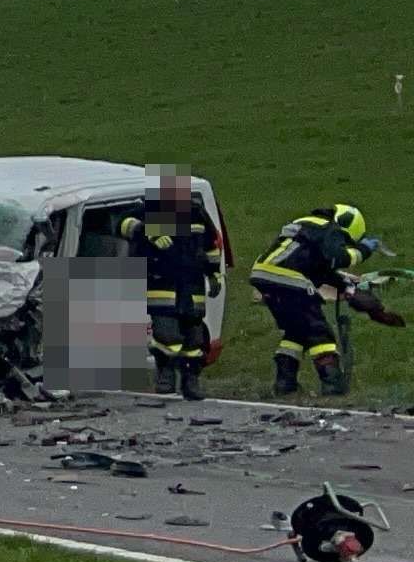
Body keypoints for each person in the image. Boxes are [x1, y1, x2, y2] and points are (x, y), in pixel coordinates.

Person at [246, 203, 403, 397]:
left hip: (264, 275)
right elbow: (338, 258)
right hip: (287, 276)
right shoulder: (330, 229)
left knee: (296, 332)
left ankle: (285, 384)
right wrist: (363, 249)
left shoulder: (309, 226)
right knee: (319, 331)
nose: (344, 243)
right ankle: (332, 384)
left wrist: (346, 286)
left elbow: (320, 269)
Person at [120, 170, 223, 400]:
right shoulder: (149, 211)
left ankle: (191, 381)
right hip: (162, 284)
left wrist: (215, 273)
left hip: (192, 285)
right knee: (167, 333)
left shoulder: (196, 214)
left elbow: (212, 246)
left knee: (195, 339)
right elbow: (122, 223)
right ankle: (165, 374)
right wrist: (147, 231)